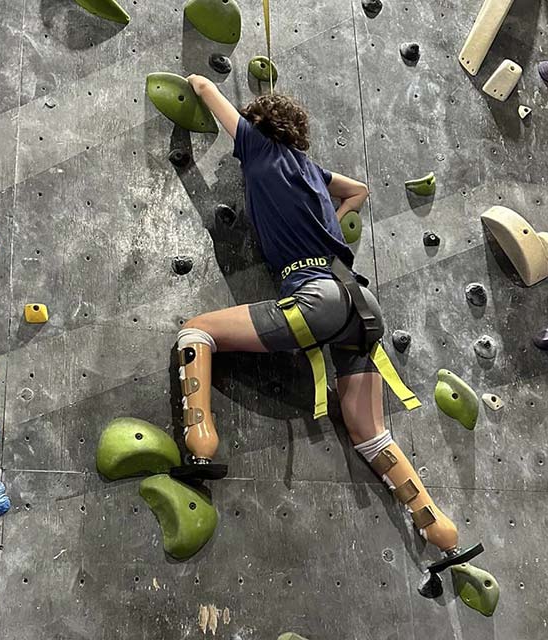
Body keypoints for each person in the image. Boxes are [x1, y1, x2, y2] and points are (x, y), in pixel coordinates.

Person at [172, 74, 481, 574]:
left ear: (259, 127)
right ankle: (440, 532)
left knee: (196, 331)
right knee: (369, 432)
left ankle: (199, 444)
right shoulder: (313, 171)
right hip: (361, 304)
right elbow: (358, 190)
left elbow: (208, 90)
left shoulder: (256, 145)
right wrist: (335, 220)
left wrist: (194, 81)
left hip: (312, 295)